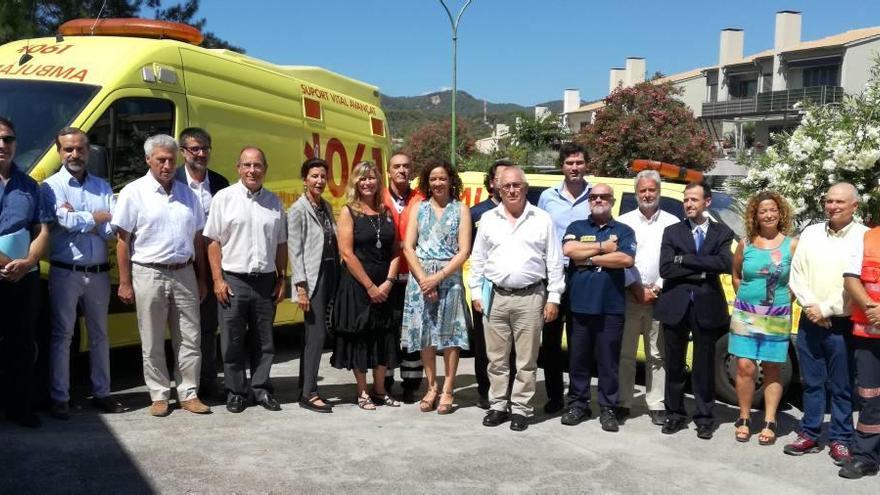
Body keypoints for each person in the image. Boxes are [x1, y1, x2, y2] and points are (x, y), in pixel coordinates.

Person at [112, 134, 210, 417]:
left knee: (190, 338)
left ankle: (189, 393)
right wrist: (125, 281)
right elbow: (123, 241)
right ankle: (159, 395)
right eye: (161, 160)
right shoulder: (134, 192)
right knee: (152, 338)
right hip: (148, 273)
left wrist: (202, 278)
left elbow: (198, 239)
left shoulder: (187, 194)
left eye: (171, 159)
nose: (167, 165)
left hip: (184, 273)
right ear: (148, 160)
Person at [469, 166, 565, 432]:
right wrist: (476, 292)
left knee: (526, 360)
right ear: (498, 190)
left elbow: (554, 262)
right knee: (497, 359)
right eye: (506, 186)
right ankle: (498, 405)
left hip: (531, 298)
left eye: (516, 186)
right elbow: (478, 259)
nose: (512, 190)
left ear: (525, 187)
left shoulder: (542, 218)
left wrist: (554, 297)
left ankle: (521, 408)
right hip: (496, 297)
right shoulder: (488, 218)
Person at [42, 127, 125, 420]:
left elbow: (112, 229)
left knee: (101, 335)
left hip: (99, 274)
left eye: (80, 149)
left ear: (88, 151)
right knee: (62, 335)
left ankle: (102, 394)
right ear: (59, 152)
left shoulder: (102, 186)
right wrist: (95, 217)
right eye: (68, 149)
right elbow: (62, 221)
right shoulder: (50, 187)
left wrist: (78, 218)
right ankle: (59, 397)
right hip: (66, 272)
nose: (74, 154)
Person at [785, 182, 867, 465]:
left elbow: (856, 283)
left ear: (854, 206)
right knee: (812, 382)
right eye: (829, 201)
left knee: (842, 386)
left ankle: (841, 438)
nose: (832, 207)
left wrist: (827, 309)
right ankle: (809, 432)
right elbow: (797, 273)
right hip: (811, 320)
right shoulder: (810, 233)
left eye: (839, 202)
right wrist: (811, 306)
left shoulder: (863, 237)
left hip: (842, 323)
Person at [204, 147, 286, 413]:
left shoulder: (275, 203)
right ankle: (236, 391)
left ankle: (261, 389)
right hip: (233, 280)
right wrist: (217, 279)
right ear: (238, 168)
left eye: (257, 165)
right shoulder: (223, 198)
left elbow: (281, 244)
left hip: (265, 281)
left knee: (265, 341)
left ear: (265, 168)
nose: (252, 170)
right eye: (247, 165)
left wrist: (281, 277)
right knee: (232, 341)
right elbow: (213, 241)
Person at [655, 181, 734, 440]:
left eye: (694, 200)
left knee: (704, 366)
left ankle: (704, 417)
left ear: (706, 202)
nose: (688, 204)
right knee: (674, 364)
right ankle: (675, 414)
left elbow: (723, 263)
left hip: (707, 306)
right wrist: (702, 267)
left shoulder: (722, 232)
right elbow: (666, 269)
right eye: (685, 200)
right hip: (675, 305)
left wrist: (684, 259)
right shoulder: (672, 231)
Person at [561, 183, 635, 432]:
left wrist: (589, 258)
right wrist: (604, 247)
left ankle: (608, 408)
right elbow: (569, 250)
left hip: (610, 307)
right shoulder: (576, 227)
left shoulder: (624, 230)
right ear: (589, 201)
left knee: (608, 361)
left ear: (612, 201)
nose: (598, 200)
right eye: (594, 197)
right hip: (579, 305)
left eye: (604, 197)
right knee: (578, 360)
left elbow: (625, 259)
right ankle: (578, 405)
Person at [401, 159, 472, 414]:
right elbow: (408, 247)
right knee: (425, 336)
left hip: (448, 278)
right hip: (421, 280)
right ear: (426, 182)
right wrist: (424, 279)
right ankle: (431, 386)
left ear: (451, 180)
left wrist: (438, 277)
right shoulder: (418, 208)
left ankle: (448, 388)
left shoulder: (461, 209)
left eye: (442, 178)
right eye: (433, 179)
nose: (438, 183)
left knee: (450, 337)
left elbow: (464, 251)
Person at [331, 160, 401, 410]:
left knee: (384, 337)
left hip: (386, 286)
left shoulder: (387, 212)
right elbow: (347, 254)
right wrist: (371, 287)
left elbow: (396, 250)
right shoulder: (349, 212)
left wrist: (389, 282)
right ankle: (362, 392)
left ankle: (380, 390)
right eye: (362, 178)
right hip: (359, 287)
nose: (367, 182)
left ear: (378, 181)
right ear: (355, 183)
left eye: (371, 177)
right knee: (361, 338)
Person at [729, 191, 797, 444]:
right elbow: (736, 274)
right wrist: (745, 298)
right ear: (754, 216)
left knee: (772, 368)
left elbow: (797, 279)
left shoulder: (791, 244)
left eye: (773, 210)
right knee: (745, 367)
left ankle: (770, 420)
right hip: (745, 315)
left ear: (780, 213)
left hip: (777, 316)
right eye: (762, 211)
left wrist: (785, 301)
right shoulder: (745, 243)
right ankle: (744, 418)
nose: (768, 215)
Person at [0, 117, 52, 428]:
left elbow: (42, 228)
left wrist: (29, 261)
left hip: (24, 277)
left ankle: (20, 407)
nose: (2, 145)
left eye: (8, 139)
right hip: (8, 269)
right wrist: (7, 263)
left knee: (22, 343)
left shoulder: (30, 185)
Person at [617, 170, 678, 426]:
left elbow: (675, 259)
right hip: (629, 295)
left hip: (659, 297)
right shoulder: (623, 221)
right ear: (636, 192)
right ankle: (623, 401)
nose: (647, 194)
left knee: (657, 355)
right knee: (626, 353)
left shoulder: (673, 222)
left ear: (659, 192)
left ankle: (656, 403)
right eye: (642, 190)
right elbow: (619, 261)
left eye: (652, 190)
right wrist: (636, 287)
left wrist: (658, 287)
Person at [536, 143, 591, 414]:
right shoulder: (547, 197)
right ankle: (555, 395)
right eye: (570, 163)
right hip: (552, 275)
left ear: (586, 165)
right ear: (562, 166)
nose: (574, 167)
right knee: (551, 341)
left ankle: (579, 397)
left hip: (584, 274)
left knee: (580, 340)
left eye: (579, 162)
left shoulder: (596, 195)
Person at [175, 127, 230, 400]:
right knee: (182, 330)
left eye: (205, 148)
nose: (200, 153)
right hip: (181, 263)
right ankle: (185, 384)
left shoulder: (221, 183)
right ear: (182, 151)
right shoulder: (170, 180)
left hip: (211, 267)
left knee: (208, 328)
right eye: (194, 148)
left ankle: (208, 379)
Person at [288, 158, 337, 413]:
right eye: (314, 176)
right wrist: (301, 287)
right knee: (315, 337)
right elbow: (295, 251)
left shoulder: (326, 206)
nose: (319, 181)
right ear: (305, 179)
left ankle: (305, 386)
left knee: (316, 336)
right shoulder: (298, 209)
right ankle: (309, 393)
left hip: (330, 273)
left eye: (322, 177)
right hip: (312, 279)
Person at [469, 158, 514, 409]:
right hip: (485, 288)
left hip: (513, 289)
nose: (504, 183)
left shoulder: (519, 210)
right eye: (499, 178)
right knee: (484, 345)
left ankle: (508, 391)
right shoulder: (477, 212)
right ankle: (484, 390)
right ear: (491, 182)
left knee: (512, 348)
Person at [381, 151, 424, 403]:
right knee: (386, 330)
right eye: (396, 166)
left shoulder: (422, 199)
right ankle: (384, 380)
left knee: (412, 333)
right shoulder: (378, 197)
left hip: (413, 277)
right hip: (385, 277)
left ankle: (411, 383)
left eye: (406, 166)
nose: (401, 170)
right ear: (388, 171)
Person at [841, 226, 880, 479]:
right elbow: (851, 278)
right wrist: (873, 309)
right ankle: (865, 455)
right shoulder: (866, 238)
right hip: (870, 334)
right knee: (870, 396)